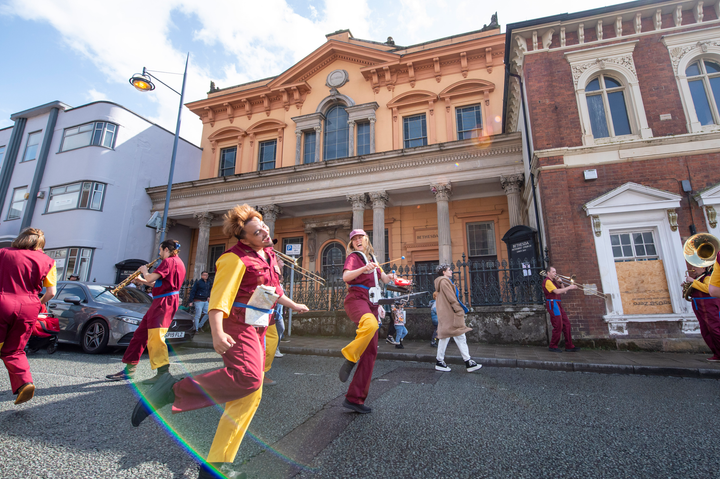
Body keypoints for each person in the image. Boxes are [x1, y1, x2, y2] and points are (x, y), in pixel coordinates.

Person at [130, 204, 308, 479]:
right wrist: (216, 332)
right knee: (248, 378)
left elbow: (272, 290)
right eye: (256, 231)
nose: (264, 233)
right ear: (244, 238)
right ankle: (171, 389)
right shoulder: (233, 259)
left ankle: (216, 464)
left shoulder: (269, 254)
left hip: (259, 324)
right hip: (236, 324)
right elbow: (219, 299)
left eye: (263, 227)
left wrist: (293, 304)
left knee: (249, 396)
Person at [338, 229, 403, 414]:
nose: (358, 241)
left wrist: (392, 278)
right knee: (371, 324)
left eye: (361, 238)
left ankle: (354, 399)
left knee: (370, 353)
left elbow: (383, 279)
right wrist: (363, 269)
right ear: (352, 243)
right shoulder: (355, 257)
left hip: (373, 303)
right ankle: (350, 357)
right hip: (357, 299)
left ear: (367, 240)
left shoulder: (373, 259)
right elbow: (346, 277)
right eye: (354, 239)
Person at [106, 240, 186, 383]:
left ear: (166, 249)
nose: (159, 254)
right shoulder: (178, 262)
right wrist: (141, 280)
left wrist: (144, 271)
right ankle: (129, 370)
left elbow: (151, 277)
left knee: (156, 336)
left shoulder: (168, 262)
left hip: (164, 302)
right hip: (162, 301)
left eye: (160, 250)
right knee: (140, 335)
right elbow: (159, 283)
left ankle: (163, 374)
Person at [0, 228, 57, 405]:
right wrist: (37, 303)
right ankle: (25, 383)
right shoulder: (48, 261)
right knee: (15, 349)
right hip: (29, 306)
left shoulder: (3, 253)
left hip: (3, 300)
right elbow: (51, 293)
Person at [434, 265, 482, 373]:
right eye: (449, 270)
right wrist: (459, 310)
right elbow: (452, 297)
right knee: (458, 336)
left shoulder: (441, 282)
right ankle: (467, 362)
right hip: (451, 314)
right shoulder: (444, 281)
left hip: (447, 314)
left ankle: (441, 361)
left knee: (446, 337)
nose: (451, 271)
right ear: (443, 272)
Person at [542, 266, 580, 352]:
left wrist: (561, 282)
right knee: (558, 325)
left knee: (566, 324)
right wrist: (570, 287)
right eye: (553, 272)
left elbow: (564, 291)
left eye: (555, 272)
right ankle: (553, 345)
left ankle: (569, 345)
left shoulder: (554, 281)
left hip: (558, 303)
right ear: (548, 273)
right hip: (553, 304)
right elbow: (557, 292)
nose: (555, 273)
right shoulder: (547, 281)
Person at [686, 265, 720, 361]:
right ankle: (717, 353)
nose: (694, 269)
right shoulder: (699, 278)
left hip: (709, 306)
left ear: (703, 268)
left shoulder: (708, 277)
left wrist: (693, 282)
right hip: (700, 306)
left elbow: (707, 289)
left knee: (714, 329)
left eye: (696, 267)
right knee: (706, 331)